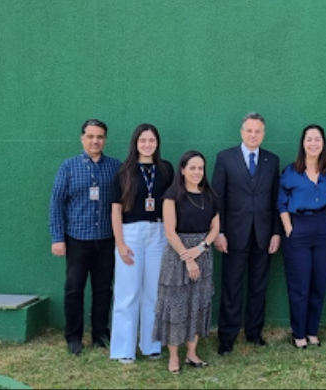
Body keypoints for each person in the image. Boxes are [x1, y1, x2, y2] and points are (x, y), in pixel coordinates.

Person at [49, 119, 121, 356]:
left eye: (100, 137)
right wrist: (57, 237)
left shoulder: (115, 167)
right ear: (82, 138)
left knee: (103, 289)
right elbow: (56, 203)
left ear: (105, 139)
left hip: (106, 239)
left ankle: (101, 334)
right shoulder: (68, 167)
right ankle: (74, 337)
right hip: (77, 239)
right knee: (74, 289)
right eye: (90, 136)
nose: (95, 141)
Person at [212, 112, 281, 356]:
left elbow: (275, 201)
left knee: (258, 286)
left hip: (263, 236)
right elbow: (216, 200)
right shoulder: (225, 158)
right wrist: (218, 232)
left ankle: (254, 332)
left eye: (258, 131)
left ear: (264, 134)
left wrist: (275, 232)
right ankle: (227, 337)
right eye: (249, 130)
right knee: (231, 286)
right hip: (233, 236)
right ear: (242, 132)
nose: (253, 135)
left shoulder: (272, 161)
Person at [109, 124, 174, 363]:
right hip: (131, 233)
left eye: (152, 140)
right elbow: (115, 210)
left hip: (158, 232)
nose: (147, 145)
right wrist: (120, 243)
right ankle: (123, 349)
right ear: (135, 143)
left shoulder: (166, 169)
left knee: (154, 292)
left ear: (157, 143)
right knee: (128, 292)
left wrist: (169, 236)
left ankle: (151, 344)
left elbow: (170, 205)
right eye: (143, 140)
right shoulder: (123, 171)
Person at [153, 151, 219, 374]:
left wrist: (201, 248)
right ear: (182, 169)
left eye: (200, 168)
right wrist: (188, 258)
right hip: (177, 255)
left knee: (198, 305)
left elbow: (216, 227)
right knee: (176, 306)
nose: (197, 172)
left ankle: (192, 353)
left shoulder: (210, 195)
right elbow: (170, 232)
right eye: (192, 168)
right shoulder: (172, 195)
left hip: (203, 253)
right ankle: (173, 357)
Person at [277, 125, 326, 349]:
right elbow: (281, 202)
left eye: (318, 139)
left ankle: (313, 331)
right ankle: (299, 333)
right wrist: (288, 228)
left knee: (319, 283)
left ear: (323, 144)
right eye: (309, 139)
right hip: (298, 228)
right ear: (303, 143)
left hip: (324, 227)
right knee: (300, 284)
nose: (313, 143)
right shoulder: (291, 172)